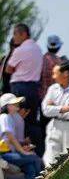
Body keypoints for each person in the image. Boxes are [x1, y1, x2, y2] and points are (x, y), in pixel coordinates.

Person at [4, 24, 44, 156]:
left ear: (23, 34)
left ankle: (19, 151)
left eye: (15, 34)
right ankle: (35, 151)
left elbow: (8, 69)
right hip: (33, 88)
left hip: (19, 87)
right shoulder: (38, 49)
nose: (13, 37)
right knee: (31, 121)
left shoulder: (20, 50)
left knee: (17, 119)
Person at [41, 60, 69, 167]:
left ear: (65, 74)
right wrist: (62, 109)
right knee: (50, 161)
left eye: (55, 73)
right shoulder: (52, 89)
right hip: (55, 126)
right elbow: (45, 110)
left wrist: (55, 109)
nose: (53, 77)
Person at [0, 93, 43, 179]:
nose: (17, 105)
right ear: (7, 106)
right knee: (35, 158)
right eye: (14, 103)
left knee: (30, 168)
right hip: (4, 155)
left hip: (11, 153)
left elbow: (13, 140)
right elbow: (10, 136)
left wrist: (23, 147)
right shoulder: (4, 117)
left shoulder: (11, 117)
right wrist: (22, 151)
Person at [39, 35, 63, 99]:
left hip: (42, 96)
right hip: (54, 97)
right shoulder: (58, 61)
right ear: (58, 47)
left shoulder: (41, 59)